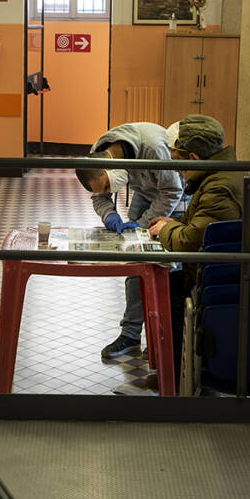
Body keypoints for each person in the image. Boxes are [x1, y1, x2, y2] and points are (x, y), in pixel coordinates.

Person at [146, 114, 250, 384]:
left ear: (192, 158)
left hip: (229, 279)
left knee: (170, 293)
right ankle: (174, 370)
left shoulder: (218, 186)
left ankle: (177, 377)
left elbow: (191, 240)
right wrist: (172, 222)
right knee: (168, 286)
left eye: (177, 161)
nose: (178, 170)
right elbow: (204, 223)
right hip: (239, 269)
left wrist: (165, 230)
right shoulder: (224, 175)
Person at [75, 122, 187, 359]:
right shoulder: (98, 155)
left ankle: (165, 337)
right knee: (136, 263)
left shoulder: (154, 148)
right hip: (146, 191)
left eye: (108, 185)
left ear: (113, 170)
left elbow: (172, 191)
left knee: (167, 266)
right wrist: (110, 216)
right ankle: (131, 334)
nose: (107, 189)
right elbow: (99, 196)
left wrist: (143, 224)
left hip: (173, 196)